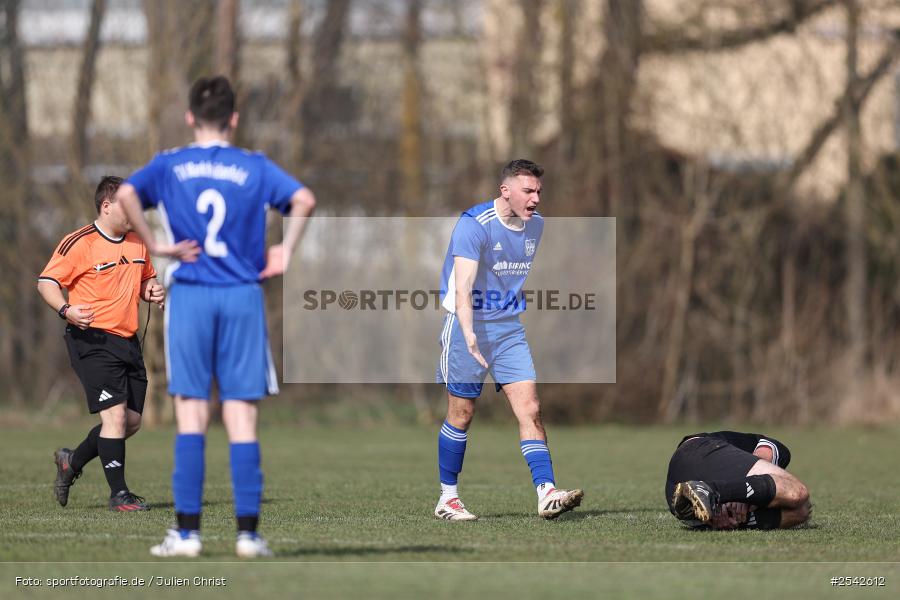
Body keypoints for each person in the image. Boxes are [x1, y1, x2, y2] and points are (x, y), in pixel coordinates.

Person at [117, 76, 316, 558]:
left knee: (191, 416)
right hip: (242, 295)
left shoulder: (170, 164)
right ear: (234, 119)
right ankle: (248, 536)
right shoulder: (254, 166)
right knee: (242, 418)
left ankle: (186, 536)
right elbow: (304, 199)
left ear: (190, 117)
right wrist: (286, 250)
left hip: (191, 296)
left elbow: (125, 194)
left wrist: (156, 244)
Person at [434, 159, 583, 521]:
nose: (535, 199)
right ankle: (448, 499)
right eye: (528, 191)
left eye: (538, 192)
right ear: (506, 191)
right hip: (466, 326)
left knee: (530, 408)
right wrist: (469, 333)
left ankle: (546, 493)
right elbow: (463, 286)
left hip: (508, 328)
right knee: (462, 413)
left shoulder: (537, 227)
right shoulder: (474, 224)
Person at [38, 176, 165, 512]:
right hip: (90, 339)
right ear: (107, 206)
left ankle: (71, 462)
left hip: (127, 341)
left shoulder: (139, 242)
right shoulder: (79, 242)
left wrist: (152, 290)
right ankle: (119, 495)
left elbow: (146, 280)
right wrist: (66, 309)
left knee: (132, 422)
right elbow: (46, 282)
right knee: (115, 420)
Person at [666, 431, 812, 530]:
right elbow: (766, 451)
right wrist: (741, 490)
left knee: (801, 512)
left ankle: (712, 505)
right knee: (797, 492)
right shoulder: (773, 448)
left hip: (680, 499)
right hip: (696, 453)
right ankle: (711, 491)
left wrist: (738, 503)